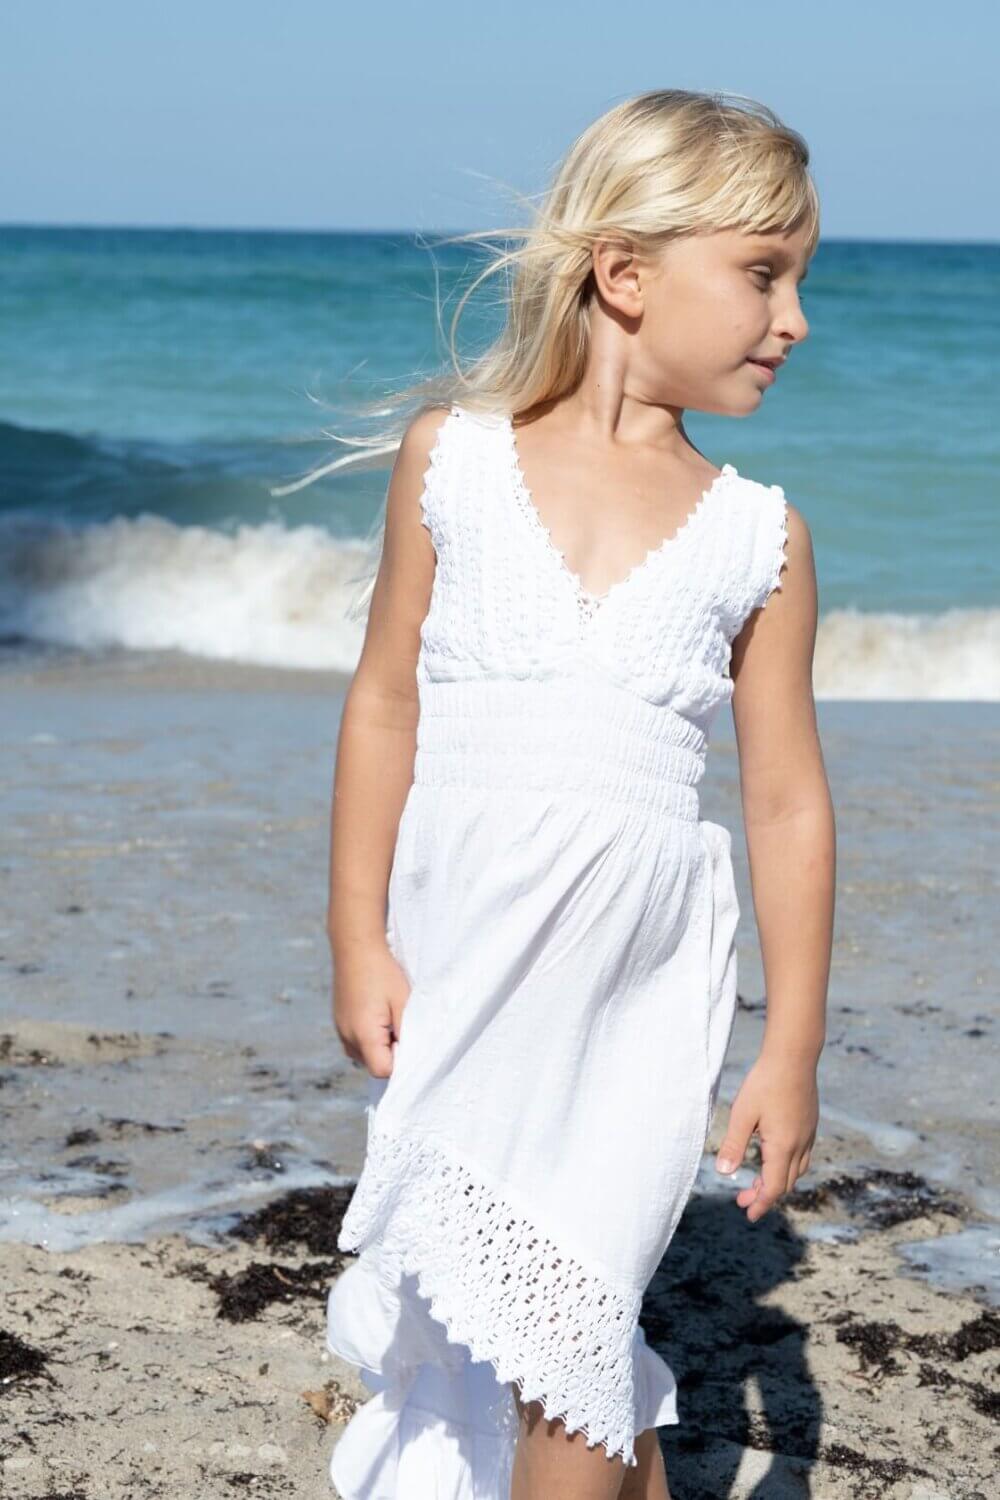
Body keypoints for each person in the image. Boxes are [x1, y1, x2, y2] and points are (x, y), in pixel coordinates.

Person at [321, 88, 835, 1500]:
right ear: (624, 274)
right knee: (542, 1339)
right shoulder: (456, 461)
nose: (792, 320)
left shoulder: (758, 534)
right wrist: (358, 934)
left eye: (798, 281)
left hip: (636, 982)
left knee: (580, 1315)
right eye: (762, 274)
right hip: (471, 958)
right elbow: (383, 701)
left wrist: (789, 1045)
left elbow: (786, 802)